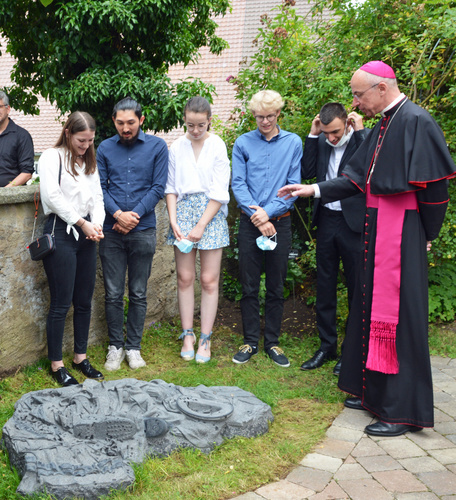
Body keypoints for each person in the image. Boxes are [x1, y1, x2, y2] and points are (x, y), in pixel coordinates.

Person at [278, 61, 456, 436]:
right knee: (370, 308)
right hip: (379, 233)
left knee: (400, 319)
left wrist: (427, 233)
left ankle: (400, 410)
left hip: (402, 233)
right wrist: (312, 190)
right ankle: (373, 392)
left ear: (381, 88)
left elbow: (436, 191)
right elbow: (354, 181)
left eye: (358, 95)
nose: (355, 104)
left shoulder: (417, 121)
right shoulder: (383, 126)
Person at [231, 90, 302, 367]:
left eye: (270, 116)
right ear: (253, 115)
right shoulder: (242, 143)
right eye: (259, 116)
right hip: (251, 225)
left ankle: (272, 342)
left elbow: (294, 185)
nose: (265, 121)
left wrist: (268, 214)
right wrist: (258, 217)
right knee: (249, 285)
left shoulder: (293, 142)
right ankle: (250, 341)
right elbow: (238, 184)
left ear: (278, 114)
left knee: (275, 285)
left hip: (280, 224)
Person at [97, 97, 168, 371]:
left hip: (143, 229)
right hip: (111, 230)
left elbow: (158, 187)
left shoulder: (158, 147)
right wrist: (117, 215)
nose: (125, 128)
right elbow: (100, 188)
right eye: (119, 123)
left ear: (141, 120)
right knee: (113, 293)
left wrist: (131, 217)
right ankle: (115, 347)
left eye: (130, 122)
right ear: (113, 121)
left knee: (138, 292)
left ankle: (134, 348)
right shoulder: (103, 148)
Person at [300, 103, 368, 375]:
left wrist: (361, 132)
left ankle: (352, 353)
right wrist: (313, 136)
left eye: (336, 132)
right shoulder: (324, 140)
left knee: (356, 290)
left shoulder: (364, 138)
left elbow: (368, 172)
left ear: (348, 122)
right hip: (327, 220)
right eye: (327, 133)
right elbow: (307, 173)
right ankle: (327, 347)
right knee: (325, 286)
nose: (332, 138)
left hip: (353, 224)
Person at [39, 112, 105, 387]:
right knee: (61, 302)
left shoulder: (88, 160)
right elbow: (51, 196)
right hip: (61, 232)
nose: (85, 145)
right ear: (67, 132)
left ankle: (80, 356)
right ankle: (57, 365)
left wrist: (97, 225)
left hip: (87, 235)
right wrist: (81, 223)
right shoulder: (51, 157)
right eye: (81, 140)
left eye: (90, 141)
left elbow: (98, 196)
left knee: (84, 300)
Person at [165, 96, 230, 363]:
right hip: (182, 212)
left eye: (200, 125)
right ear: (185, 120)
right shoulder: (176, 146)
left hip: (211, 214)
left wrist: (202, 224)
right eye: (190, 125)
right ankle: (188, 334)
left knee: (209, 280)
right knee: (185, 277)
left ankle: (205, 338)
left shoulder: (217, 145)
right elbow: (170, 186)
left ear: (209, 121)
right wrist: (173, 220)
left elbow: (220, 189)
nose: (194, 130)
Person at [0, 91, 34, 187]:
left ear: (8, 109)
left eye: (0, 106)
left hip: (10, 199)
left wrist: (4, 192)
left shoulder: (22, 136)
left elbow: (27, 173)